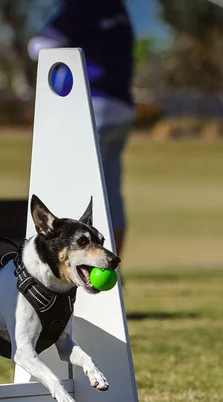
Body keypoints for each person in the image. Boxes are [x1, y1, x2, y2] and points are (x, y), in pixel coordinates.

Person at [28, 0, 135, 256]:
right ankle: (115, 268)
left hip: (91, 107)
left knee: (75, 190)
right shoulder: (117, 8)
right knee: (110, 195)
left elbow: (39, 45)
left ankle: (76, 263)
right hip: (121, 109)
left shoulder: (83, 6)